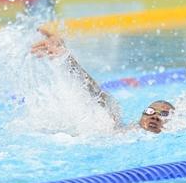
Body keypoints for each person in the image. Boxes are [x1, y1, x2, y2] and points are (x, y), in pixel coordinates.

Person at [30, 28, 175, 134]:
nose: (154, 117)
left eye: (163, 114)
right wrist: (65, 57)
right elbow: (94, 90)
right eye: (150, 111)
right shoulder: (117, 127)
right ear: (142, 115)